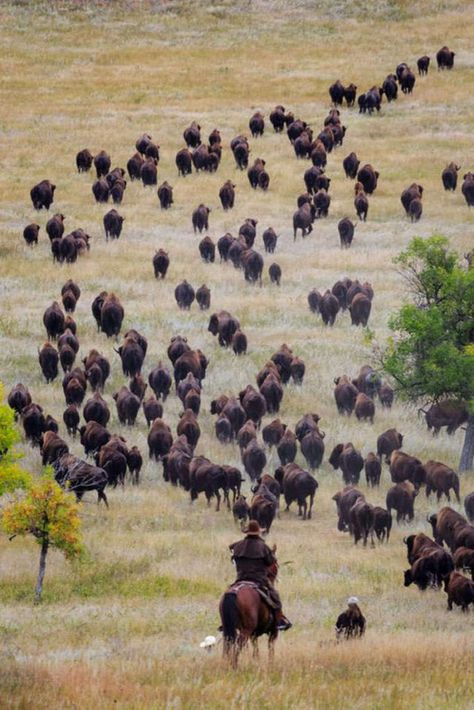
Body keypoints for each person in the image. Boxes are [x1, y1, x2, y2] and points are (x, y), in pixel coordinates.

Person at [229, 520, 292, 631]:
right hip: (258, 579)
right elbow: (270, 562)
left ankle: (226, 623)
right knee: (275, 597)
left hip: (240, 579)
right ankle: (279, 621)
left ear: (247, 533)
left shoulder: (237, 546)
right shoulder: (263, 547)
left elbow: (234, 560)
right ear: (258, 533)